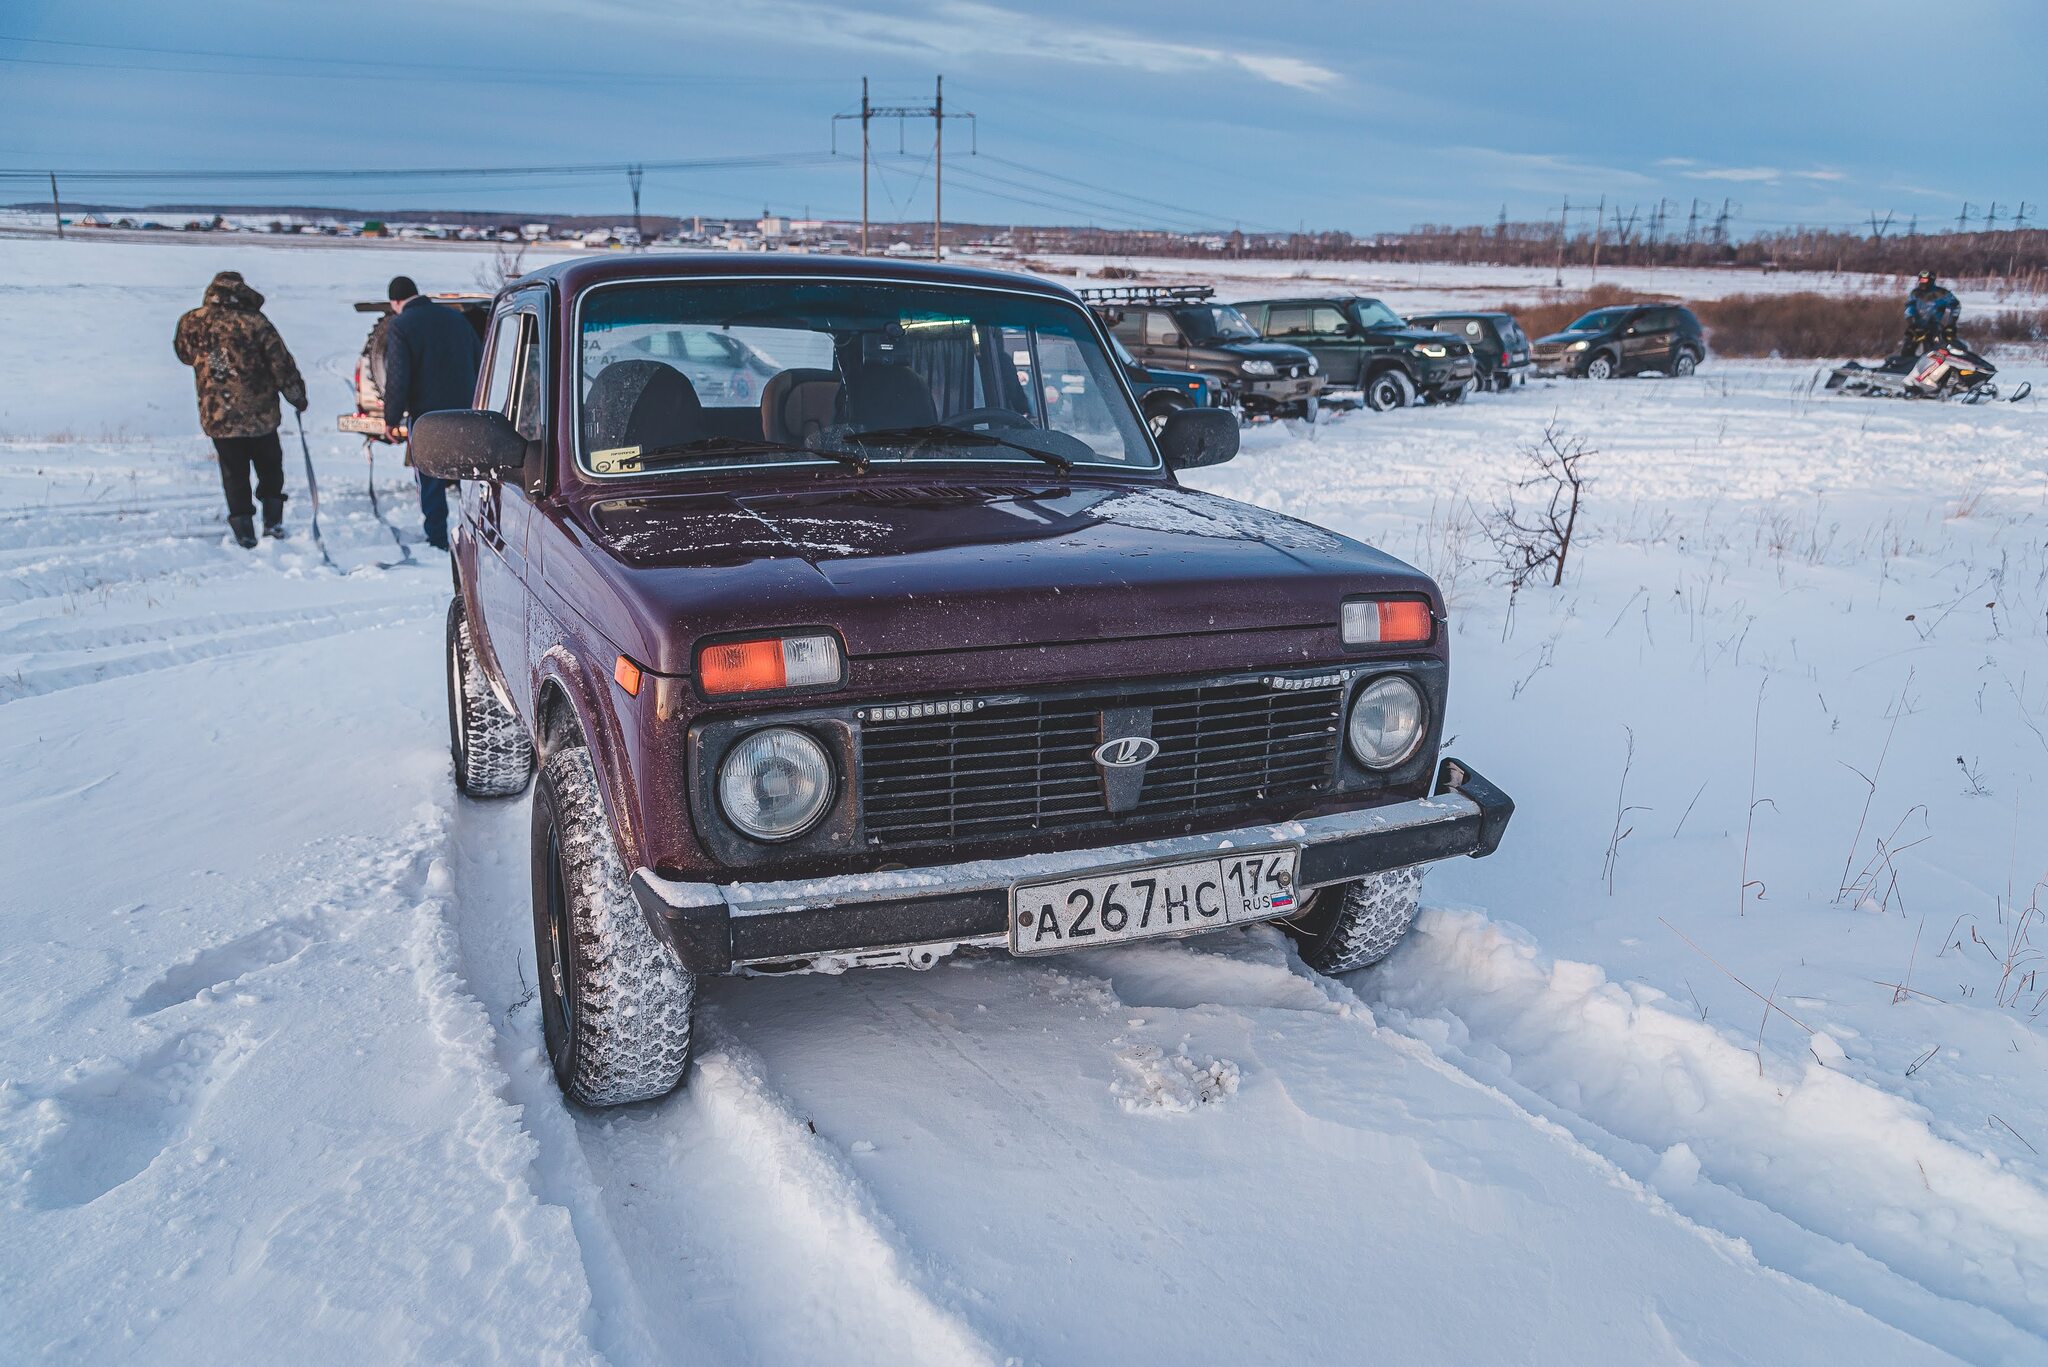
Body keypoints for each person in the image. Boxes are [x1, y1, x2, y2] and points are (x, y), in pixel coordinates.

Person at [173, 271, 307, 548]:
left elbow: (185, 355)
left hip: (218, 414)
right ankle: (273, 523)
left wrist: (216, 361)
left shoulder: (193, 321)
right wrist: (297, 396)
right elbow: (280, 363)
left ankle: (243, 529)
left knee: (233, 473)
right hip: (260, 413)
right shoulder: (255, 323)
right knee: (270, 468)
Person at [380, 275, 482, 551]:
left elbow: (398, 377)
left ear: (395, 302)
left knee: (430, 477)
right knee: (469, 475)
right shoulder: (456, 319)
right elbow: (479, 359)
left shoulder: (401, 324)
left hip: (428, 416)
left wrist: (390, 419)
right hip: (465, 412)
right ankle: (476, 533)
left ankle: (437, 538)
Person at [1900, 270, 1961, 363]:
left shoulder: (1942, 293)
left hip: (1934, 327)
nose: (1921, 282)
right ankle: (1905, 370)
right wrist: (1911, 323)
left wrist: (1951, 324)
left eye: (1924, 280)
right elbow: (1909, 307)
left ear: (1931, 280)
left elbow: (1956, 306)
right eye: (1920, 280)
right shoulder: (1915, 293)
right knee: (1906, 351)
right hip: (1916, 327)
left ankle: (1931, 372)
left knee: (1931, 353)